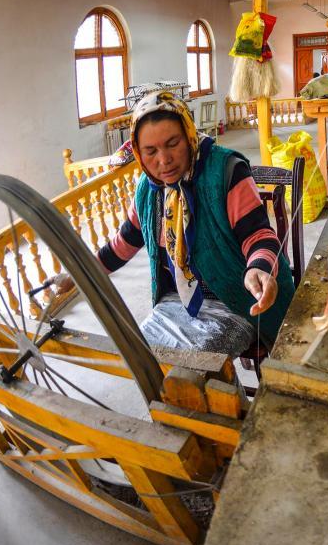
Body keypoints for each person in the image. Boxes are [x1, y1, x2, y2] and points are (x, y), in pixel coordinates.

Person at [60, 91, 295, 354]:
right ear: (138, 153)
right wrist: (79, 272)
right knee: (144, 361)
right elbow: (124, 242)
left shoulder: (225, 171)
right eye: (150, 151)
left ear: (189, 136)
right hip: (176, 299)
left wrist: (259, 269)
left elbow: (258, 235)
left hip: (236, 298)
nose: (163, 160)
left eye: (173, 143)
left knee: (194, 371)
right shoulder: (148, 191)